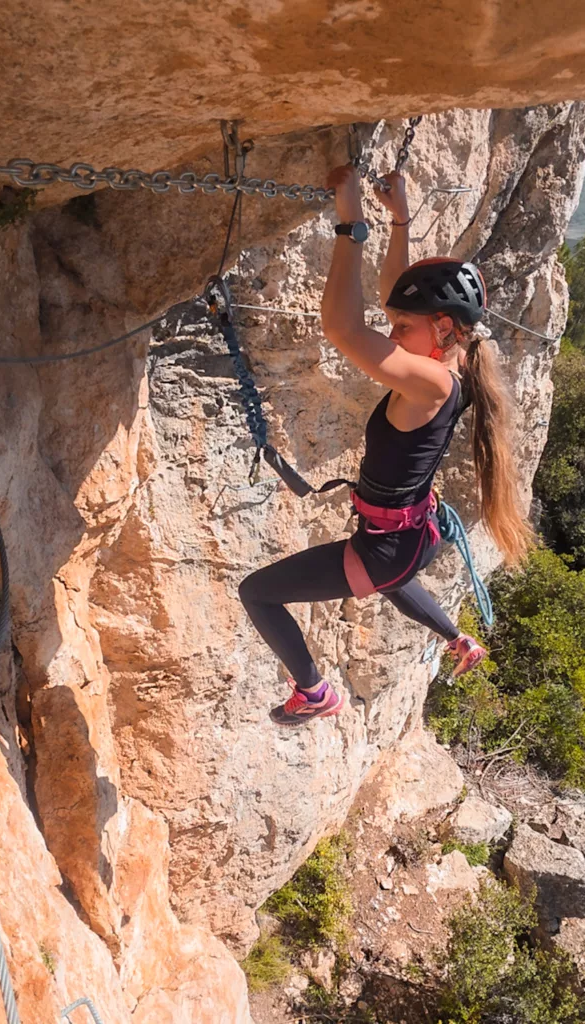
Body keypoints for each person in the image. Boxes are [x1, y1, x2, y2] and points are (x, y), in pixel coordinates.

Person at [239, 164, 533, 727]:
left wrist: (351, 225)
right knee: (395, 581)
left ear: (443, 328)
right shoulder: (460, 362)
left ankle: (314, 691)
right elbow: (393, 296)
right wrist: (397, 219)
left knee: (259, 593)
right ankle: (456, 637)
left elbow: (344, 330)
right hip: (411, 537)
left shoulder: (432, 382)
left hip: (387, 547)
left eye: (402, 327)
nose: (391, 332)